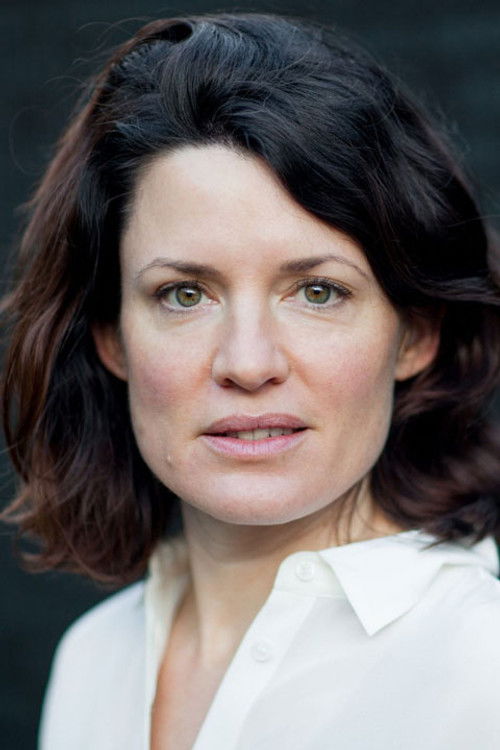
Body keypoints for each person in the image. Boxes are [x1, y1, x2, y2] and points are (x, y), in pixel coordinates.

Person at [2, 11, 500, 750]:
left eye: (318, 292)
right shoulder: (94, 658)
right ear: (111, 337)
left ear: (416, 332)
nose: (247, 362)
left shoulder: (482, 667)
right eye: (184, 294)